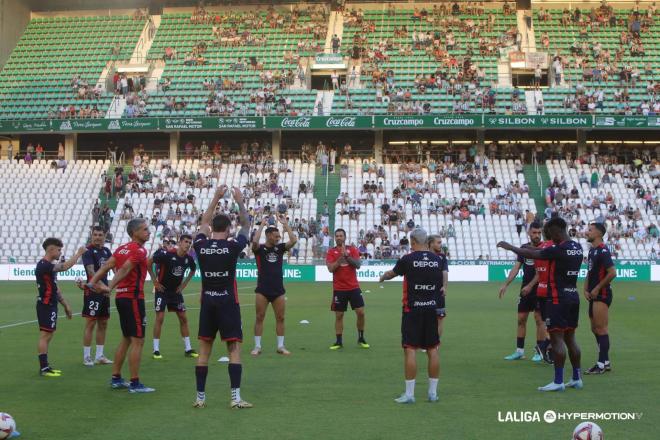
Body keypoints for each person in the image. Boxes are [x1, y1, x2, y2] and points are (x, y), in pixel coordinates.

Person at [498, 217, 583, 392]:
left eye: (549, 233)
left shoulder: (558, 250)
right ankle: (576, 377)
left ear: (557, 231)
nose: (548, 236)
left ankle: (558, 381)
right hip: (573, 296)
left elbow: (536, 254)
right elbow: (540, 250)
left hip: (557, 298)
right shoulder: (577, 247)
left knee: (557, 339)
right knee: (571, 338)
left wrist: (511, 247)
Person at [192, 185, 252, 409]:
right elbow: (246, 225)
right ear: (228, 228)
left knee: (204, 348)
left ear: (211, 229)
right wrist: (239, 201)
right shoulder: (233, 246)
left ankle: (200, 398)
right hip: (227, 301)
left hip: (207, 301)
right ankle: (235, 398)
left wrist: (216, 196)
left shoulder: (201, 245)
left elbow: (203, 224)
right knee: (234, 348)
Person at [87, 218, 154, 393]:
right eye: (145, 229)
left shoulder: (121, 248)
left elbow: (105, 267)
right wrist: (108, 287)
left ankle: (116, 378)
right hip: (133, 298)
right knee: (138, 340)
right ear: (135, 233)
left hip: (121, 298)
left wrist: (92, 282)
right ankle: (134, 383)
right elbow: (124, 269)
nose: (149, 232)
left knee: (126, 338)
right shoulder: (139, 251)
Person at [379, 228, 442, 403]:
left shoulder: (408, 259)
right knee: (432, 349)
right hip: (431, 308)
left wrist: (383, 277)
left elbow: (392, 273)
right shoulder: (437, 260)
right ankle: (433, 393)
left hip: (412, 310)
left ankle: (409, 394)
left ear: (413, 241)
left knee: (410, 349)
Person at [498, 222, 549, 362]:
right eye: (534, 232)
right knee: (521, 319)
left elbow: (541, 272)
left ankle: (539, 351)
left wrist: (531, 286)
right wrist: (506, 284)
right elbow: (516, 267)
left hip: (540, 289)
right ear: (529, 233)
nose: (537, 235)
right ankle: (519, 351)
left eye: (539, 233)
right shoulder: (524, 249)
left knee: (539, 320)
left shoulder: (545, 248)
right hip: (525, 289)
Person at [36, 239, 85, 377]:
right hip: (46, 305)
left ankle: (45, 367)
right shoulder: (44, 265)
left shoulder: (48, 266)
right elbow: (64, 267)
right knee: (45, 335)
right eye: (58, 250)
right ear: (51, 250)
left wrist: (66, 305)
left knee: (48, 335)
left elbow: (55, 288)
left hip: (50, 304)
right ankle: (44, 369)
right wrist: (78, 253)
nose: (60, 252)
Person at [250, 214, 298, 356]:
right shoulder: (260, 249)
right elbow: (254, 242)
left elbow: (294, 240)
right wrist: (262, 225)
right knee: (260, 317)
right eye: (276, 236)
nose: (278, 238)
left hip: (278, 290)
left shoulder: (280, 248)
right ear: (269, 235)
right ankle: (257, 346)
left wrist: (285, 224)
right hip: (262, 290)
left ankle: (280, 346)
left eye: (279, 236)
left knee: (281, 318)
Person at [147, 235, 198, 360]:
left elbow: (193, 270)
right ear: (180, 243)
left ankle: (188, 349)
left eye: (190, 243)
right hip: (162, 291)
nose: (188, 244)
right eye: (186, 242)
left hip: (175, 293)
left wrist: (183, 285)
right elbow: (149, 262)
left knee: (183, 318)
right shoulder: (167, 254)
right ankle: (156, 350)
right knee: (160, 318)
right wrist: (155, 282)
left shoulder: (188, 259)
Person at [326, 228, 369, 350]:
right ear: (335, 238)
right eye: (337, 236)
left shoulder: (353, 249)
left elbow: (358, 265)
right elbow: (330, 269)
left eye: (341, 236)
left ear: (345, 237)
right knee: (339, 316)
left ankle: (361, 338)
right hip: (339, 289)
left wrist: (347, 256)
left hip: (353, 287)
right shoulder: (331, 252)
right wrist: (340, 258)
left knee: (361, 313)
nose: (339, 237)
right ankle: (339, 341)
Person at [584, 223, 616, 374]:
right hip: (593, 294)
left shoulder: (603, 251)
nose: (586, 232)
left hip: (602, 294)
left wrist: (597, 288)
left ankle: (601, 364)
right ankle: (606, 361)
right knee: (594, 328)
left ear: (598, 233)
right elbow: (590, 272)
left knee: (601, 328)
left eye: (590, 230)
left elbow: (612, 272)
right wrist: (585, 288)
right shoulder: (592, 251)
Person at [79, 227, 113, 367]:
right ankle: (87, 356)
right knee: (91, 323)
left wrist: (112, 284)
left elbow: (115, 269)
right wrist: (102, 286)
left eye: (100, 235)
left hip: (104, 292)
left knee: (103, 323)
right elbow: (91, 272)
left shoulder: (106, 251)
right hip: (93, 292)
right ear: (91, 236)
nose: (98, 237)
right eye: (95, 235)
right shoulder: (88, 251)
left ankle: (99, 356)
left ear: (105, 237)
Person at [427, 235, 449, 342]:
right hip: (425, 292)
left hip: (438, 292)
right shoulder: (424, 256)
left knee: (439, 319)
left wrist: (444, 287)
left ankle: (435, 343)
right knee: (426, 319)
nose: (441, 244)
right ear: (431, 243)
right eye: (438, 242)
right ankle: (426, 341)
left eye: (441, 242)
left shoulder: (442, 257)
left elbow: (444, 272)